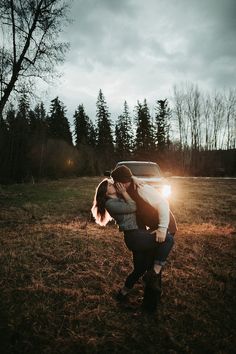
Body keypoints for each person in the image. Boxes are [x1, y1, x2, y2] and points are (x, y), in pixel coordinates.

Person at [91, 178, 174, 312]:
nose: (114, 184)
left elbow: (125, 176)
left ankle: (123, 293)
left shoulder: (117, 198)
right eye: (110, 185)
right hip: (134, 237)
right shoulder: (110, 203)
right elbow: (133, 206)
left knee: (139, 269)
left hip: (139, 235)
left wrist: (134, 179)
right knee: (168, 239)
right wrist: (124, 192)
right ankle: (155, 272)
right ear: (106, 192)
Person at [110, 165, 178, 310]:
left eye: (116, 182)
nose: (115, 185)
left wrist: (162, 228)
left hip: (165, 225)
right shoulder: (127, 189)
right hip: (153, 227)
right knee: (146, 264)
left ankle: (150, 304)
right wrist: (133, 177)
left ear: (122, 182)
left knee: (153, 267)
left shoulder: (142, 189)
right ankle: (146, 292)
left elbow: (163, 203)